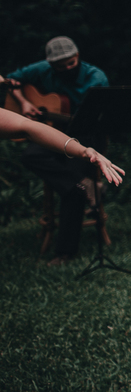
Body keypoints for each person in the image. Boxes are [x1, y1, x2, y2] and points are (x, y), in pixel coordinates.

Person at [5, 36, 111, 264]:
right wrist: (24, 102)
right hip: (56, 133)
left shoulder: (96, 78)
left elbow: (102, 120)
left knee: (72, 190)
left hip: (86, 137)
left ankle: (65, 252)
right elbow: (10, 81)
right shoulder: (42, 70)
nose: (66, 69)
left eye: (71, 64)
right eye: (60, 67)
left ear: (78, 57)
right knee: (31, 155)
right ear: (51, 64)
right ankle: (88, 185)